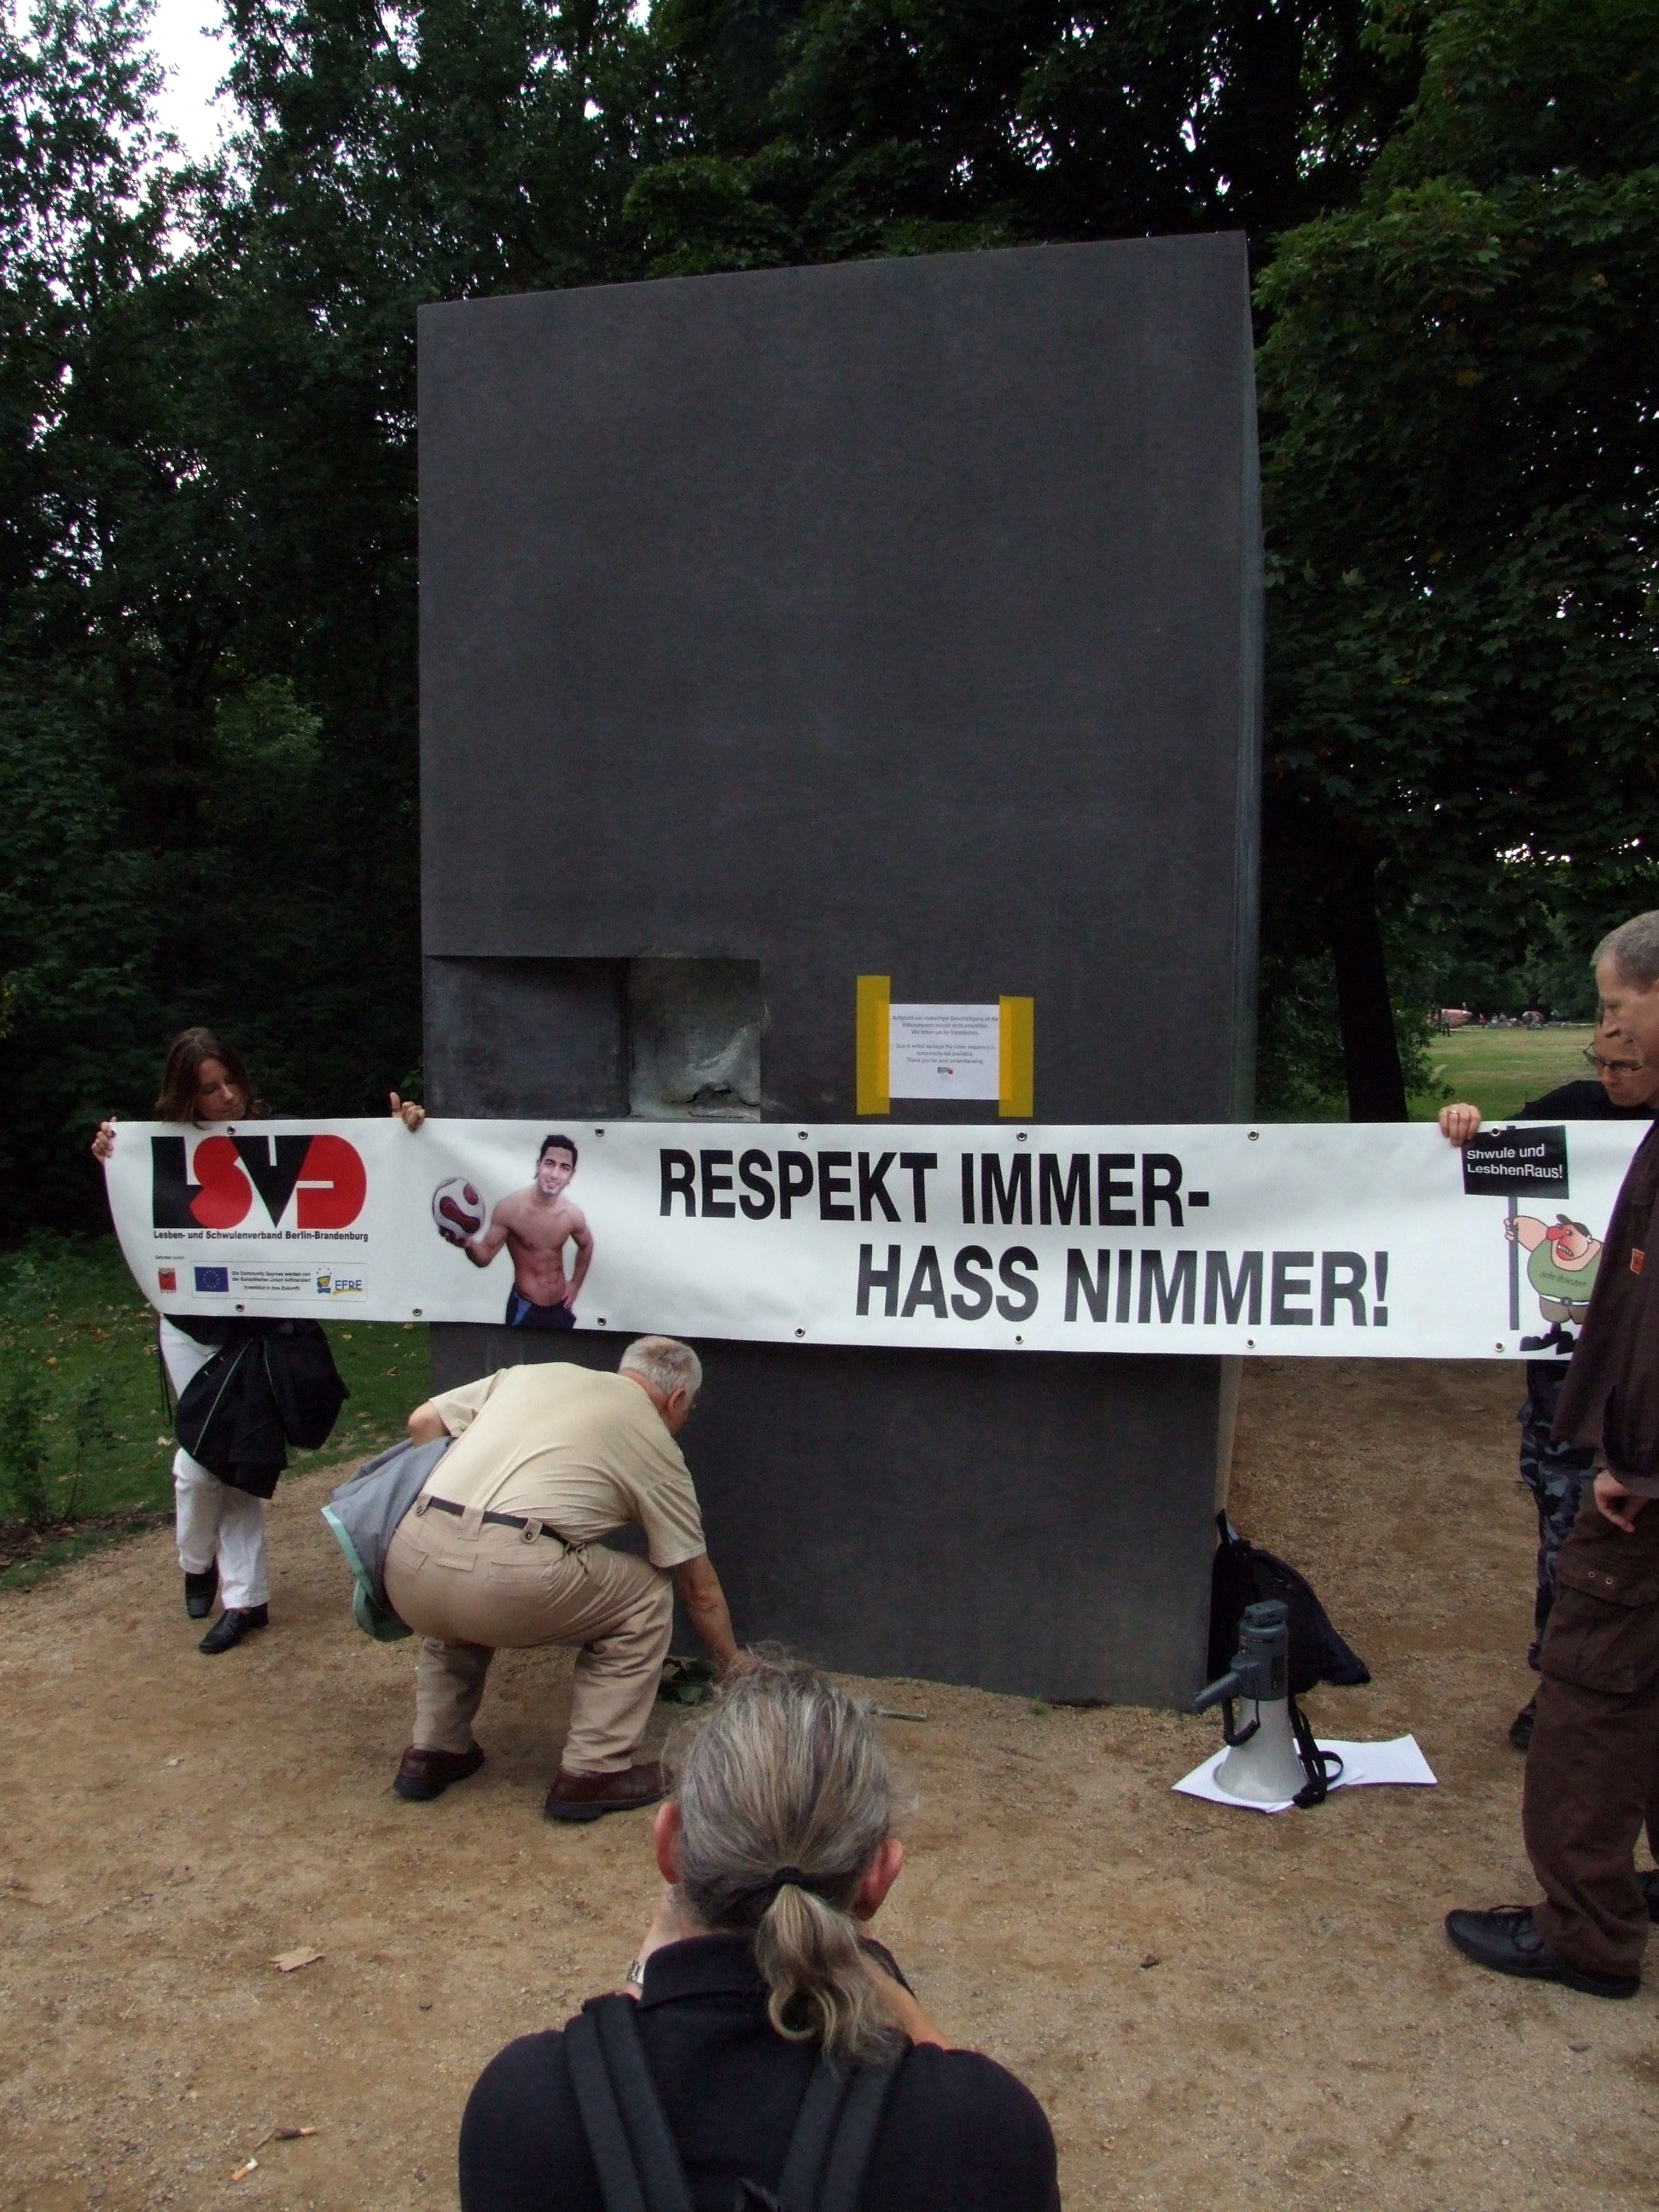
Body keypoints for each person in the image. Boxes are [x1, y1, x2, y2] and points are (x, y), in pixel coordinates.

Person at [457, 1656, 1061, 2212]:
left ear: (670, 1844)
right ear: (879, 1877)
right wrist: (877, 1979)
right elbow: (958, 2087)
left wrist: (645, 1977)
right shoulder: (981, 2126)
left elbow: (613, 2085)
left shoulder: (527, 2107)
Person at [1447, 912, 1659, 2000]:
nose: (1602, 1038)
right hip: (1606, 1439)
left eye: (1617, 1011)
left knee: (1593, 1691)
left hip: (1636, 1488)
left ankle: (1585, 1930)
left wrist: (1640, 1463)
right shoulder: (1597, 1120)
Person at [91, 1027, 424, 1654]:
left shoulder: (279, 1139)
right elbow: (138, 1212)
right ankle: (197, 1563)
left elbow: (363, 1176)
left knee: (231, 1462)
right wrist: (114, 1153)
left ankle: (243, 1599)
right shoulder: (160, 1149)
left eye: (230, 1081)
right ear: (185, 1097)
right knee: (199, 1467)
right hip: (193, 1327)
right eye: (209, 1090)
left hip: (260, 1326)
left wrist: (402, 1133)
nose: (226, 1097)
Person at [385, 1335, 737, 1820]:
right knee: (648, 1593)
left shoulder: (531, 1373)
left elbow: (422, 1422)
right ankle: (595, 1771)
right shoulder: (655, 1444)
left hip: (407, 1558)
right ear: (677, 1400)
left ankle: (433, 1752)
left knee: (459, 1603)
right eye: (688, 1410)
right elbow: (698, 1588)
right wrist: (733, 1662)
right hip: (510, 1575)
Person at [1438, 1019, 1659, 1746]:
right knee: (1564, 1532)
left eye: (1626, 1064)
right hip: (1564, 1380)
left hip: (1638, 1368)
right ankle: (1559, 1687)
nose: (1611, 1076)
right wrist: (1466, 1125)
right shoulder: (1572, 1108)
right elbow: (1483, 1165)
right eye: (1602, 1060)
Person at [439, 1132, 594, 1329]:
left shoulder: (571, 1214)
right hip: (526, 1310)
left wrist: (576, 1285)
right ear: (538, 1165)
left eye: (564, 1168)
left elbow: (587, 1245)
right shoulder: (510, 1210)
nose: (555, 1174)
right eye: (549, 1163)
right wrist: (468, 1244)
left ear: (571, 1175)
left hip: (560, 1308)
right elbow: (484, 1257)